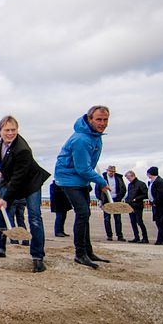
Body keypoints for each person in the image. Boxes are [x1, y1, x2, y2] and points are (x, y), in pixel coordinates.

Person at [0, 116, 50, 272]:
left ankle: (38, 256)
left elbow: (18, 179)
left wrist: (6, 199)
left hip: (30, 182)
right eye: (7, 130)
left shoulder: (22, 150)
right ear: (0, 131)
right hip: (9, 179)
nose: (11, 133)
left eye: (14, 130)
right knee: (1, 214)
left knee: (34, 217)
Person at [53, 106, 112, 269]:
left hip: (81, 179)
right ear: (90, 119)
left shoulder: (95, 136)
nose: (102, 123)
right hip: (68, 178)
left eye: (105, 120)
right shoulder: (82, 139)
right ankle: (80, 254)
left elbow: (88, 165)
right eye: (98, 119)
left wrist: (96, 180)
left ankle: (88, 251)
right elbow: (82, 168)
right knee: (83, 213)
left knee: (86, 213)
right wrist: (101, 182)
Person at [97, 165, 127, 241]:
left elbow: (123, 189)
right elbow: (97, 189)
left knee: (118, 219)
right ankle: (109, 235)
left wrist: (119, 197)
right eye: (110, 171)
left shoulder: (119, 178)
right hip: (106, 200)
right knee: (107, 219)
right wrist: (100, 199)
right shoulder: (102, 178)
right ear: (107, 171)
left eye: (113, 171)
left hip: (116, 200)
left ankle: (120, 235)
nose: (111, 173)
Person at [146, 167, 163, 245]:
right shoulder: (154, 182)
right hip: (156, 205)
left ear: (150, 174)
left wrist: (155, 202)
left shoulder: (160, 182)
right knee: (159, 223)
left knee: (160, 223)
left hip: (161, 206)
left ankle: (162, 240)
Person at [124, 170, 148, 243]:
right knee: (133, 222)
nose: (128, 180)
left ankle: (145, 238)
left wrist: (136, 199)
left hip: (138, 206)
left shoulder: (141, 184)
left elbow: (145, 194)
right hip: (130, 206)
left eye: (129, 178)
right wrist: (127, 200)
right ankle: (136, 237)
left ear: (132, 176)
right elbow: (129, 194)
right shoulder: (130, 185)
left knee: (139, 222)